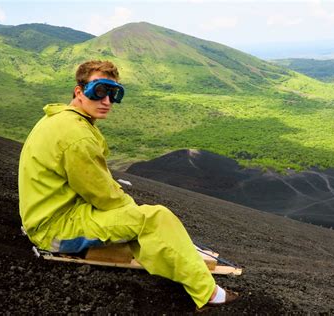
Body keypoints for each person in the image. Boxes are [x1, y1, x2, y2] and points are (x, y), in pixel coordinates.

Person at [18, 60, 238, 309]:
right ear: (79, 92)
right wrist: (135, 214)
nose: (107, 101)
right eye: (99, 91)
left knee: (136, 223)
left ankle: (174, 260)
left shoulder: (59, 119)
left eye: (113, 94)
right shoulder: (76, 136)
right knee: (155, 217)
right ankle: (208, 293)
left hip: (48, 214)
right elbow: (104, 197)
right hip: (55, 229)